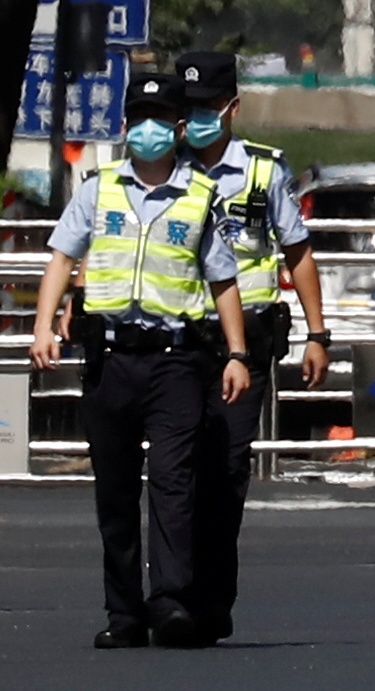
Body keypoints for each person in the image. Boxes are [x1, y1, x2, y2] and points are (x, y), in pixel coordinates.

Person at [27, 65, 254, 649]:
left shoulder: (201, 197)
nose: (146, 129)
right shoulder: (98, 188)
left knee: (174, 484)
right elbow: (60, 258)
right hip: (110, 359)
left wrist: (236, 353)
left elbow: (223, 281)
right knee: (115, 489)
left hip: (176, 360)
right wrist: (45, 325)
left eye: (158, 119)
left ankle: (171, 603)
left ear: (178, 126)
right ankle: (124, 613)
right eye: (137, 118)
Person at [178, 51, 329, 640]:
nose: (196, 121)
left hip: (251, 340)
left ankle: (213, 596)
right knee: (176, 469)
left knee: (227, 468)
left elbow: (299, 254)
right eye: (187, 110)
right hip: (184, 341)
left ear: (233, 108)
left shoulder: (264, 171)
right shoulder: (164, 168)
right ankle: (172, 591)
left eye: (208, 109)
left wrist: (318, 335)